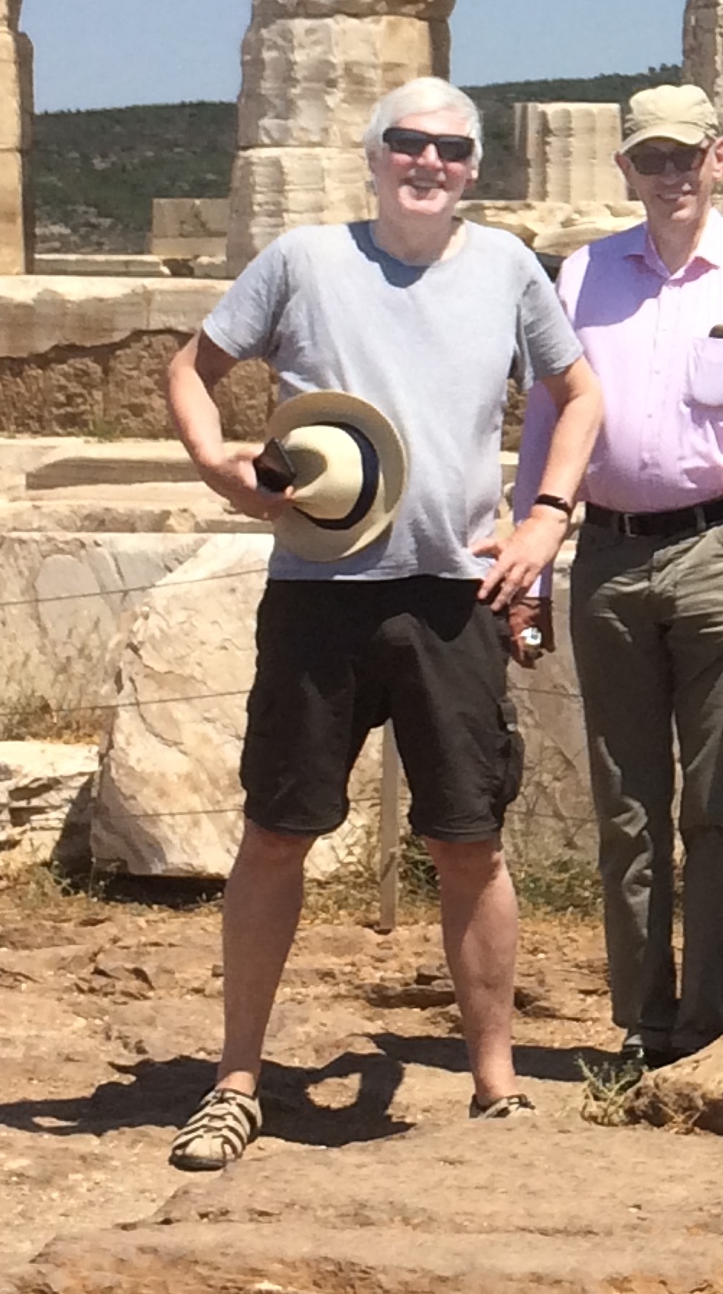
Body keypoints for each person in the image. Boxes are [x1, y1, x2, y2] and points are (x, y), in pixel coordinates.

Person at [161, 77, 601, 1169]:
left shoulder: (505, 267)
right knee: (278, 830)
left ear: (474, 168)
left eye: (451, 150)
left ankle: (495, 1085)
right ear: (373, 155)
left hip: (455, 592)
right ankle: (235, 1080)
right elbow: (192, 369)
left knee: (470, 840)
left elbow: (581, 393)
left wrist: (548, 515)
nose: (429, 163)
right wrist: (216, 464)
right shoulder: (305, 260)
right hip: (319, 590)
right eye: (408, 144)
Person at [509, 83, 723, 1068]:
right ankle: (641, 1021)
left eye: (686, 156)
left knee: (719, 800)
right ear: (625, 170)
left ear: (718, 158)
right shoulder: (582, 275)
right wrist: (529, 556)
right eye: (652, 159)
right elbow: (546, 428)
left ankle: (712, 1022)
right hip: (606, 551)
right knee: (626, 805)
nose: (672, 175)